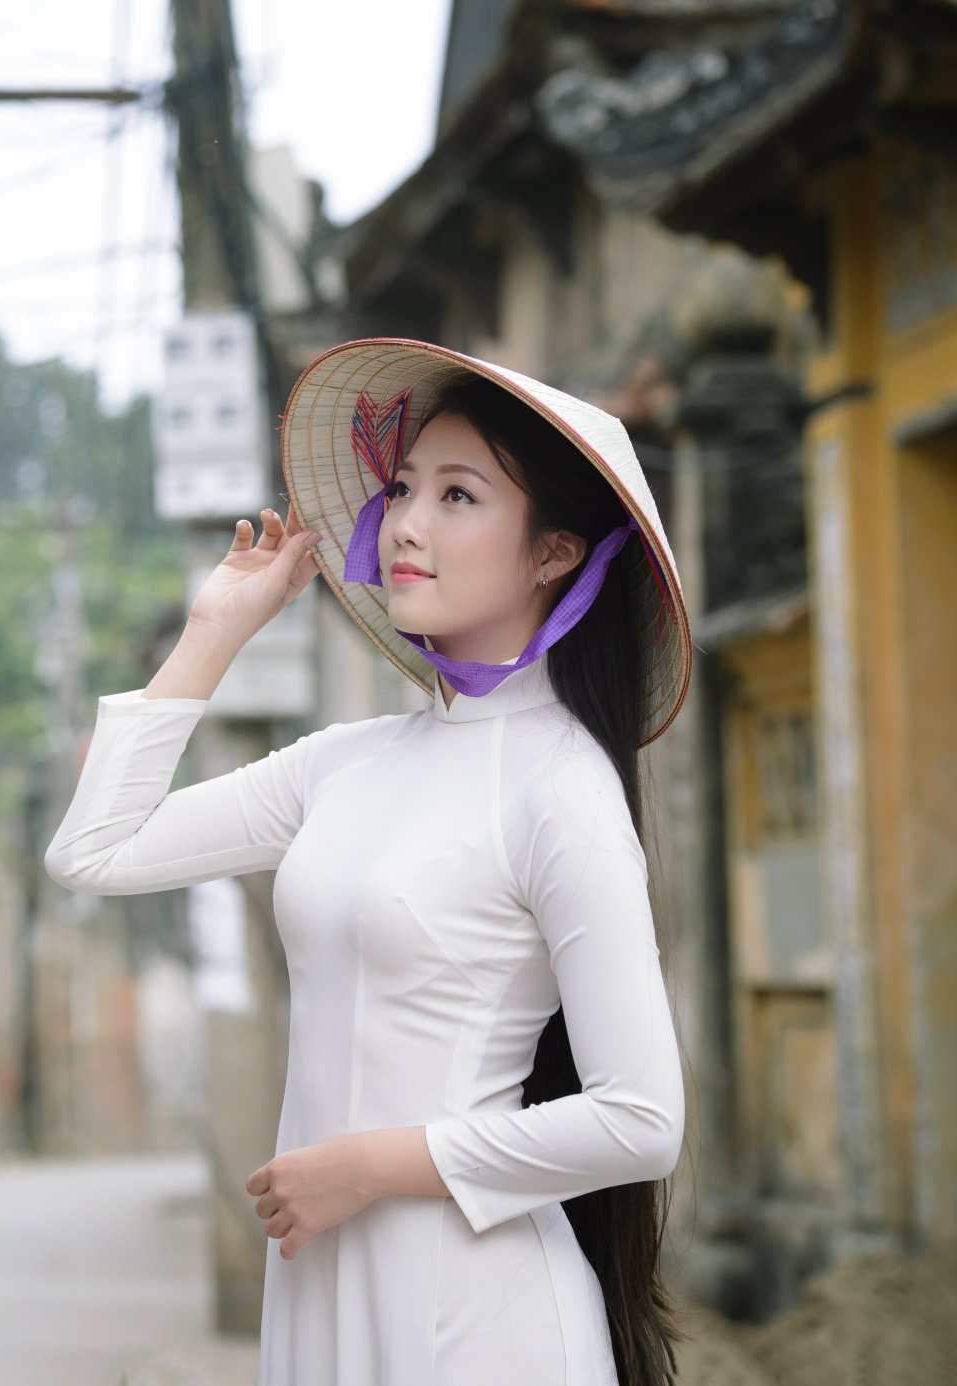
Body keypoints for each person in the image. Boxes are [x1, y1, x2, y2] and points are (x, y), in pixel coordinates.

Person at [44, 340, 691, 1386]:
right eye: (402, 488)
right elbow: (94, 850)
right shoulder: (347, 764)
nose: (407, 523)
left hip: (479, 1319)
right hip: (320, 1288)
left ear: (555, 552)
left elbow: (641, 1119)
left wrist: (369, 1167)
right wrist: (214, 631)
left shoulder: (559, 787)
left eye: (459, 495)